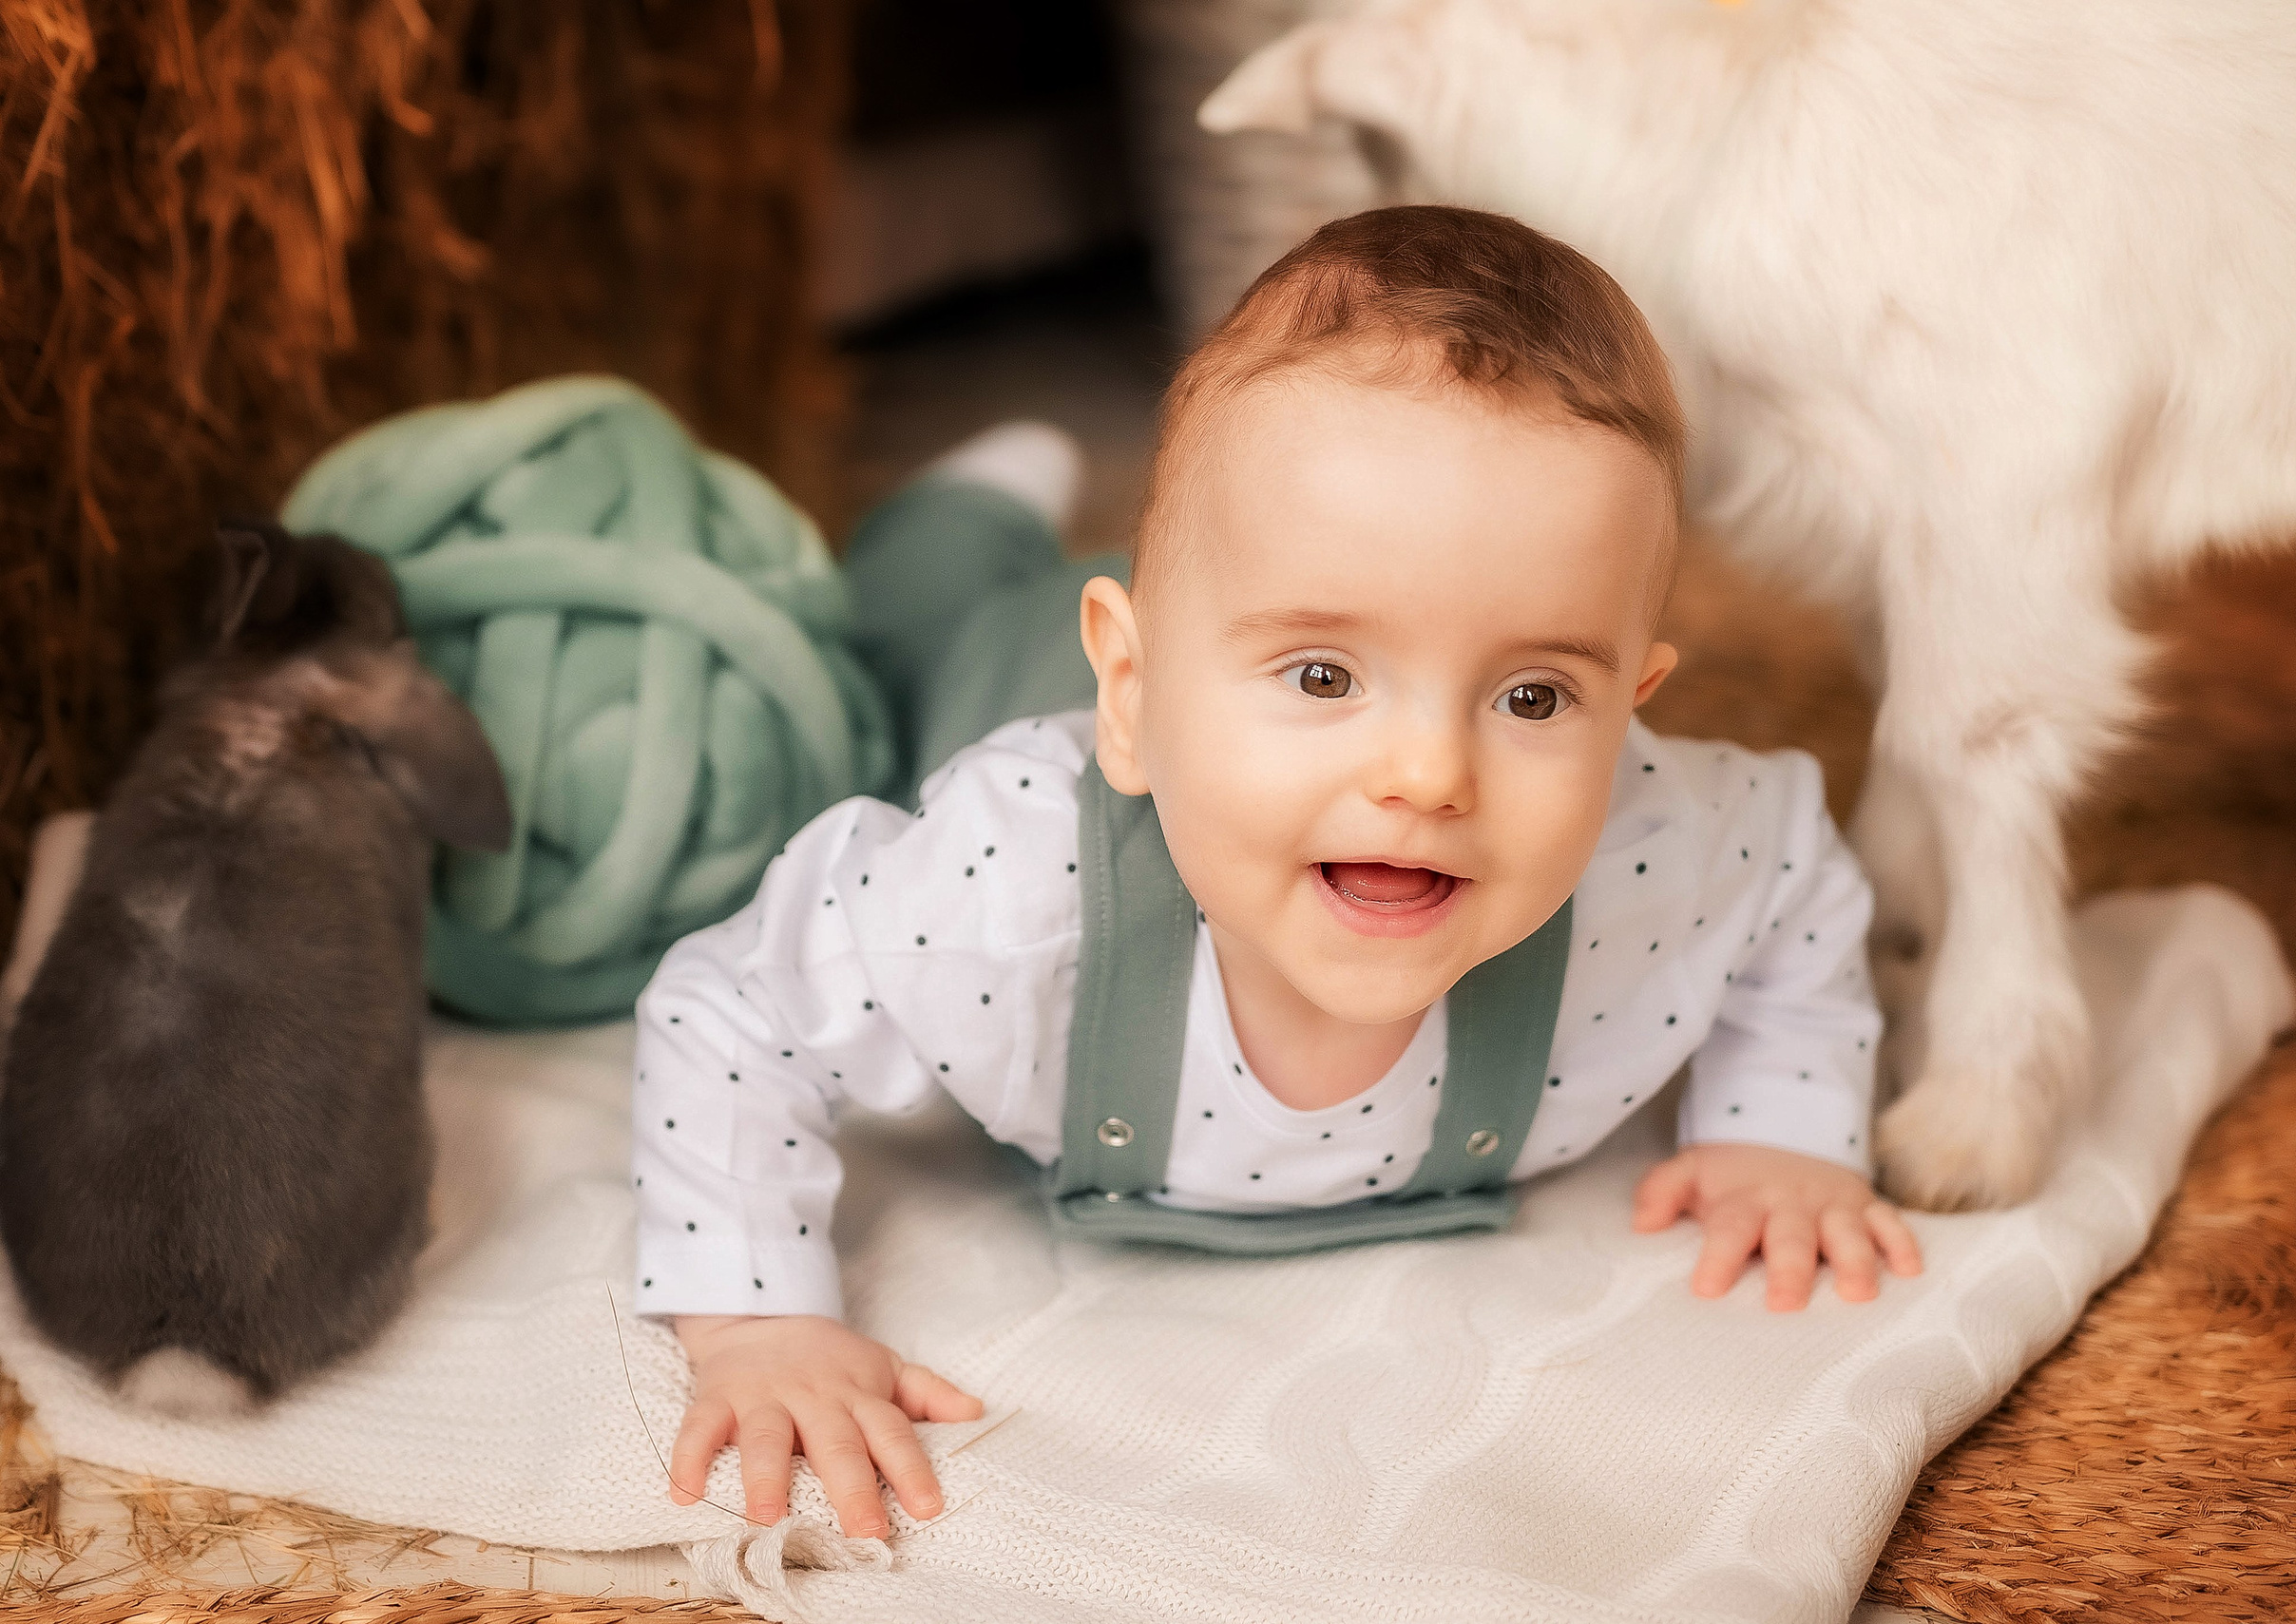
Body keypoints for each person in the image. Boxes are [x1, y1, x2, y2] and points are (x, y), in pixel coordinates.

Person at [630, 205, 1923, 1537]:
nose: (1430, 773)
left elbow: (1791, 866)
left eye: (1535, 694)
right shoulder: (1003, 886)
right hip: (1004, 677)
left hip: (1199, 637)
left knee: (1217, 582)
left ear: (1633, 707)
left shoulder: (1663, 851)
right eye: (1324, 674)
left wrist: (1779, 1120)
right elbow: (734, 1007)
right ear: (1127, 691)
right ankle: (958, 517)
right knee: (900, 650)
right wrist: (756, 1316)